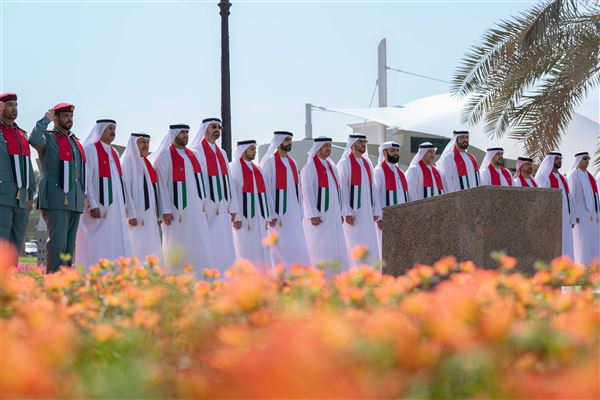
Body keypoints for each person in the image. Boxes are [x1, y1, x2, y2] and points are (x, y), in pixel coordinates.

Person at [29, 103, 86, 272]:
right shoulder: (48, 138)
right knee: (57, 244)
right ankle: (53, 282)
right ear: (56, 118)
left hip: (75, 200)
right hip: (56, 198)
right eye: (65, 116)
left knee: (69, 247)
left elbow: (80, 172)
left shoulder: (75, 141)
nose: (69, 119)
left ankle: (65, 282)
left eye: (71, 116)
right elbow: (33, 139)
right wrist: (45, 120)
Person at [153, 124, 213, 275]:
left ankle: (199, 274)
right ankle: (177, 275)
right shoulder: (165, 155)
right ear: (174, 134)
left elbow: (202, 182)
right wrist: (165, 210)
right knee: (178, 243)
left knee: (199, 242)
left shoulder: (194, 154)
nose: (185, 135)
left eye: (187, 132)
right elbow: (162, 185)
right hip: (176, 210)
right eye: (182, 132)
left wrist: (204, 203)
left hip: (197, 210)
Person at [75, 120, 134, 267]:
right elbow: (86, 178)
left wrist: (126, 206)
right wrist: (92, 204)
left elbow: (120, 181)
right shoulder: (90, 149)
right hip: (99, 208)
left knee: (115, 239)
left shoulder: (113, 152)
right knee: (98, 241)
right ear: (100, 130)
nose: (112, 131)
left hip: (116, 208)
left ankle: (114, 272)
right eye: (109, 128)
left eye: (114, 128)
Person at [190, 118, 238, 270]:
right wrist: (201, 205)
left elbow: (227, 179)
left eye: (219, 127)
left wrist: (233, 205)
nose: (217, 129)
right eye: (213, 126)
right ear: (205, 129)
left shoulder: (222, 153)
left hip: (223, 205)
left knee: (225, 241)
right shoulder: (196, 152)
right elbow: (197, 181)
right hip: (207, 206)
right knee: (208, 241)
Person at [259, 131, 310, 266]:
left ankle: (296, 270)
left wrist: (300, 210)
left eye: (290, 140)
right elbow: (266, 190)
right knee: (280, 245)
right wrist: (270, 214)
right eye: (287, 140)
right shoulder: (270, 163)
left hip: (294, 213)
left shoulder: (292, 162)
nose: (289, 143)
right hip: (278, 213)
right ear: (279, 142)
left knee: (295, 242)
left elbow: (298, 188)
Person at [301, 137, 349, 272]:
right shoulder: (309, 167)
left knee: (334, 245)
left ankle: (336, 274)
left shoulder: (331, 166)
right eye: (326, 145)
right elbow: (307, 191)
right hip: (320, 216)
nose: (329, 148)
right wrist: (313, 213)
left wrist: (340, 212)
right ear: (318, 148)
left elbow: (337, 190)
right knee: (320, 246)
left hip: (333, 215)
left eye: (330, 145)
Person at [229, 140, 276, 269]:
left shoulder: (257, 169)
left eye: (255, 149)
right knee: (246, 249)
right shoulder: (234, 168)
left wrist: (268, 216)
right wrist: (236, 217)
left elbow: (264, 194)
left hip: (260, 219)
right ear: (243, 150)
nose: (255, 152)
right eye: (252, 149)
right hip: (244, 218)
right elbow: (232, 193)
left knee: (262, 249)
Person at [337, 134, 380, 267]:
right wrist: (347, 212)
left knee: (369, 242)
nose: (363, 144)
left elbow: (373, 186)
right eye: (360, 142)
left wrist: (376, 209)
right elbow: (342, 188)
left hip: (367, 212)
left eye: (364, 142)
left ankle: (371, 272)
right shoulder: (345, 163)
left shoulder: (367, 163)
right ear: (353, 144)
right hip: (354, 213)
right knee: (354, 242)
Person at [0, 93, 35, 256]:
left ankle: (11, 279)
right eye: (9, 105)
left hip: (21, 199)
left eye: (16, 105)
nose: (14, 108)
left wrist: (30, 194)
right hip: (3, 196)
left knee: (15, 246)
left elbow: (28, 164)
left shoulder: (21, 134)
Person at [120, 133, 163, 262]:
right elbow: (125, 191)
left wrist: (157, 214)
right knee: (136, 247)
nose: (146, 146)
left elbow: (152, 190)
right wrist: (131, 214)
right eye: (142, 142)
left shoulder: (146, 163)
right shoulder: (127, 162)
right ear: (134, 144)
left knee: (151, 247)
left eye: (147, 143)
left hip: (150, 216)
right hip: (135, 217)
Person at [535, 152, 575, 258]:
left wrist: (572, 216)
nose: (559, 161)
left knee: (566, 240)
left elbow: (569, 198)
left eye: (560, 159)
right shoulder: (543, 178)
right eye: (557, 159)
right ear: (550, 160)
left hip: (565, 216)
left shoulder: (564, 178)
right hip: (550, 217)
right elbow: (540, 198)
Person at [373, 141, 409, 256]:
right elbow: (376, 195)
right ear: (384, 153)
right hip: (386, 217)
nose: (396, 153)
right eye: (392, 150)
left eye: (397, 151)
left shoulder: (400, 172)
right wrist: (379, 217)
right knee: (386, 247)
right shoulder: (379, 171)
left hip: (402, 216)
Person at [567, 152, 599, 265]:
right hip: (580, 216)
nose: (587, 160)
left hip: (593, 217)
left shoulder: (589, 176)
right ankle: (581, 266)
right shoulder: (573, 175)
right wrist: (574, 215)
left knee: (593, 242)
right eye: (584, 158)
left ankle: (593, 267)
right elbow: (571, 197)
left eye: (588, 158)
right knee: (582, 242)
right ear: (578, 160)